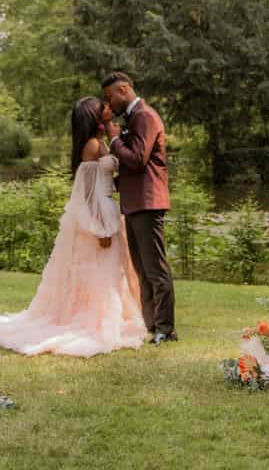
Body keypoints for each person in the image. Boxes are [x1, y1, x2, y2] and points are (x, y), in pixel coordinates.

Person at [0, 96, 145, 357]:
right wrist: (99, 228)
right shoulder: (92, 145)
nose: (108, 108)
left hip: (108, 208)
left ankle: (110, 314)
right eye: (102, 107)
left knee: (107, 270)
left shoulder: (100, 142)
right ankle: (96, 318)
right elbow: (86, 195)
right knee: (100, 271)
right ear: (94, 117)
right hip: (99, 215)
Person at [102, 71, 176, 344]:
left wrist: (113, 140)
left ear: (124, 90)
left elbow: (136, 160)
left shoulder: (145, 116)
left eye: (111, 97)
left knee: (155, 269)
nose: (110, 104)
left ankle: (166, 330)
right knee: (141, 269)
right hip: (134, 202)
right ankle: (151, 326)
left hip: (148, 201)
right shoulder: (133, 119)